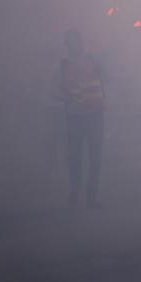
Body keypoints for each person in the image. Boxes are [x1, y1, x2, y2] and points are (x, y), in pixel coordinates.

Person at [51, 29, 106, 208]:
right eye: (74, 41)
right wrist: (68, 98)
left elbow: (103, 82)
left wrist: (104, 99)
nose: (78, 44)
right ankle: (75, 192)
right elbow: (55, 90)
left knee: (95, 158)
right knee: (75, 157)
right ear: (68, 45)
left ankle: (92, 197)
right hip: (75, 117)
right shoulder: (62, 66)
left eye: (79, 41)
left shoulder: (93, 60)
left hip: (96, 115)